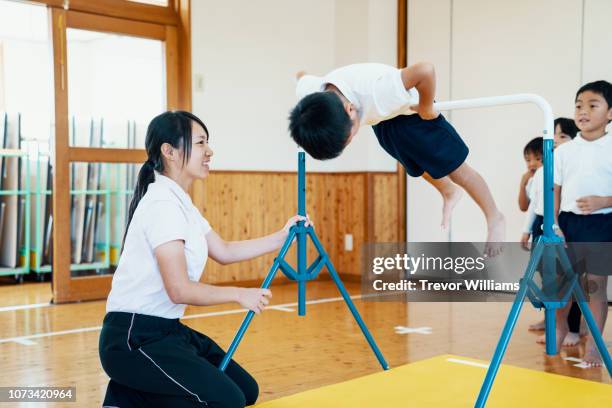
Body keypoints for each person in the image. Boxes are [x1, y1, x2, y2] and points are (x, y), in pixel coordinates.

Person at [99, 111, 310, 407]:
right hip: (134, 338)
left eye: (207, 143)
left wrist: (284, 235)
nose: (209, 151)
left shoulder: (181, 202)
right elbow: (180, 289)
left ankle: (129, 394)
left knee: (246, 390)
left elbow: (224, 251)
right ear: (169, 152)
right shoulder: (161, 204)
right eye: (200, 143)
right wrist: (240, 294)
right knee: (227, 401)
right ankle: (130, 394)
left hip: (167, 330)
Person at [289, 62, 505, 256]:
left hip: (412, 111)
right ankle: (448, 191)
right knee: (414, 164)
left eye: (349, 136)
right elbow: (302, 76)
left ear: (350, 109)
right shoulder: (311, 93)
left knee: (458, 172)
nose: (351, 140)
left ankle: (495, 217)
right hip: (385, 119)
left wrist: (427, 106)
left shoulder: (381, 92)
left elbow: (425, 70)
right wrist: (301, 74)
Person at [553, 80, 612, 366]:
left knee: (595, 288)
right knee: (562, 287)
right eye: (578, 105)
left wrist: (604, 201)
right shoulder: (564, 151)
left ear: (610, 113)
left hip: (601, 224)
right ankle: (562, 327)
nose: (583, 111)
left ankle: (595, 345)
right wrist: (553, 224)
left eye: (592, 105)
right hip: (567, 224)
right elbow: (556, 191)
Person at [518, 137, 543, 213]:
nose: (532, 164)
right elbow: (523, 207)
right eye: (528, 160)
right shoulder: (531, 181)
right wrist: (522, 185)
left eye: (538, 159)